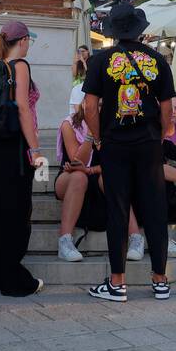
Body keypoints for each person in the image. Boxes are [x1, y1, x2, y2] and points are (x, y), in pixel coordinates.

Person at [83, 1, 176, 303]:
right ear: (139, 30)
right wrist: (160, 135)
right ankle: (160, 280)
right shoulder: (158, 60)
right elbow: (166, 108)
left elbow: (89, 107)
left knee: (118, 211)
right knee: (155, 208)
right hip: (148, 144)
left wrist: (97, 139)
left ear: (113, 32)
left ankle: (117, 283)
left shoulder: (100, 60)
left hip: (115, 144)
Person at [0, 20, 44, 295]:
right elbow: (22, 110)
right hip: (14, 147)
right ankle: (14, 279)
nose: (30, 45)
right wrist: (36, 150)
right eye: (30, 40)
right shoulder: (20, 66)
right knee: (16, 209)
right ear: (23, 40)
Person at [55, 85, 106, 262]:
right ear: (84, 104)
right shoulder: (69, 124)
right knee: (79, 176)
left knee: (115, 176)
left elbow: (114, 163)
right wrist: (91, 134)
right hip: (69, 178)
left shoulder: (109, 126)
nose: (97, 109)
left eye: (101, 105)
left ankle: (134, 236)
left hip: (97, 177)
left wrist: (92, 170)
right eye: (94, 105)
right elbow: (77, 162)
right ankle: (65, 241)